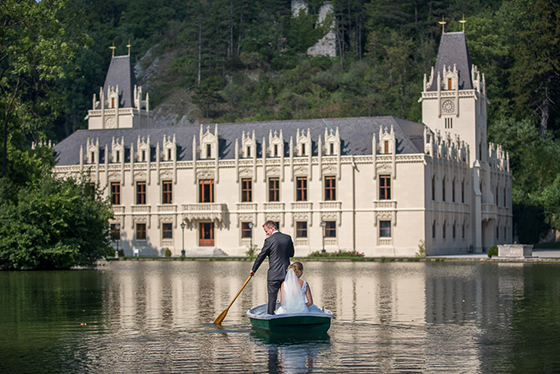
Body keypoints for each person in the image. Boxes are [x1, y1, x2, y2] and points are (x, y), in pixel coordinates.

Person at [250, 221, 295, 315]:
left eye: (266, 231)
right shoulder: (288, 238)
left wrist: (253, 269)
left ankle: (270, 316)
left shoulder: (269, 240)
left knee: (272, 299)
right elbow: (291, 254)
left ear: (272, 228)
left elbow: (261, 256)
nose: (266, 234)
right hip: (286, 273)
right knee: (286, 298)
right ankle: (287, 317)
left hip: (274, 274)